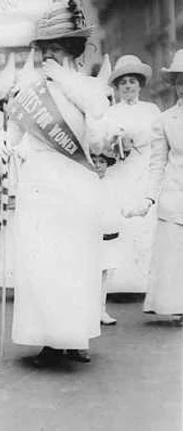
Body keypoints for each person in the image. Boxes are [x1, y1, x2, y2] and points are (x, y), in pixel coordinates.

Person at [8, 1, 113, 366]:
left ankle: (77, 336)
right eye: (46, 49)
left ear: (72, 52)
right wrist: (16, 150)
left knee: (76, 262)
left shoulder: (87, 88)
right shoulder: (28, 89)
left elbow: (99, 136)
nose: (49, 56)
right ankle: (49, 339)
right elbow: (16, 139)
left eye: (57, 49)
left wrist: (67, 82)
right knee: (43, 262)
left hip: (76, 184)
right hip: (39, 183)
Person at [125, 49, 183, 324]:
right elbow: (157, 163)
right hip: (175, 196)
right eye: (179, 80)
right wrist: (148, 198)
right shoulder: (164, 120)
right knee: (173, 257)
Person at [101, 55, 161, 298]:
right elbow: (103, 143)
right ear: (117, 87)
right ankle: (118, 284)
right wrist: (115, 142)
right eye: (123, 82)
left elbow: (159, 143)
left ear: (139, 85)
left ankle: (144, 283)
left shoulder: (151, 110)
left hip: (144, 170)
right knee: (121, 222)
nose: (128, 87)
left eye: (132, 82)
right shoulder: (110, 113)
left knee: (146, 226)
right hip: (120, 171)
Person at [93, 154, 123, 326]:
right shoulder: (86, 184)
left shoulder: (112, 185)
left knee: (105, 274)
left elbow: (118, 206)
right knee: (92, 274)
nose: (98, 166)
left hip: (109, 236)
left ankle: (101, 311)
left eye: (102, 162)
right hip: (92, 238)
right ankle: (89, 312)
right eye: (95, 162)